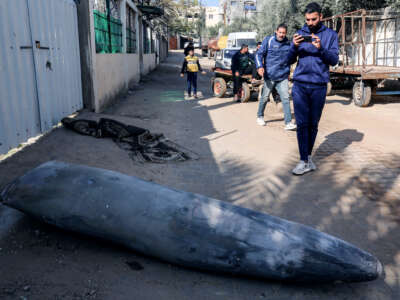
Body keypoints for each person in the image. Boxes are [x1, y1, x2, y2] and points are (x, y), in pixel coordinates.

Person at [287, 2, 339, 175]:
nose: (310, 23)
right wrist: (293, 46)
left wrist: (321, 48)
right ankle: (303, 160)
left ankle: (308, 158)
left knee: (313, 124)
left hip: (319, 86)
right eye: (307, 19)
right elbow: (288, 60)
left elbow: (333, 60)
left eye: (313, 19)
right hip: (300, 85)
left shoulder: (330, 35)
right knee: (302, 124)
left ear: (321, 17)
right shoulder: (300, 34)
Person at [255, 24, 296, 130]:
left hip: (282, 76)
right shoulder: (269, 41)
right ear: (276, 31)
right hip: (270, 75)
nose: (281, 35)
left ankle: (288, 123)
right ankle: (260, 116)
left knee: (286, 99)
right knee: (264, 97)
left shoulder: (288, 43)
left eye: (284, 33)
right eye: (280, 32)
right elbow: (258, 54)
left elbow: (293, 58)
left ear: (286, 33)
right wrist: (259, 67)